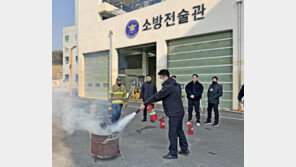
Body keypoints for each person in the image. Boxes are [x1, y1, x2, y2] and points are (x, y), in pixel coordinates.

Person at [139, 69, 189, 159]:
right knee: (179, 130)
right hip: (178, 111)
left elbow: (157, 96)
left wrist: (145, 103)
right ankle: (185, 149)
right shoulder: (174, 85)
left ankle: (173, 153)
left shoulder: (168, 86)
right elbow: (165, 97)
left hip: (174, 113)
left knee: (172, 133)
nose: (160, 79)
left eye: (160, 77)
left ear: (165, 76)